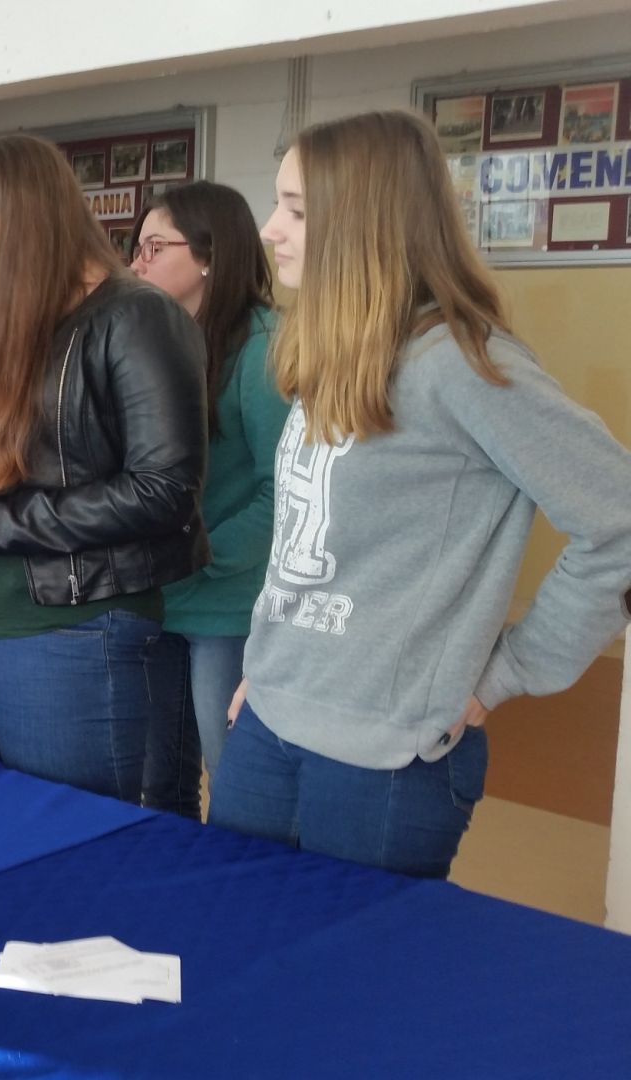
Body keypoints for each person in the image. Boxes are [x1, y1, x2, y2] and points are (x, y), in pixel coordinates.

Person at [211, 110, 631, 878]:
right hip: (270, 722)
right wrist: (272, 671)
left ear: (362, 222)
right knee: (233, 938)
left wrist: (509, 670)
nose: (271, 230)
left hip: (385, 762)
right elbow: (314, 541)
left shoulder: (460, 364)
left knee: (355, 959)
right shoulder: (335, 351)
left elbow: (619, 520)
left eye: (296, 210)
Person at [0, 134, 206, 803]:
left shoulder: (137, 316)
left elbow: (164, 491)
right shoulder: (2, 322)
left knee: (70, 843)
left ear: (27, 218)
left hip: (71, 631)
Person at [129, 181, 288, 819]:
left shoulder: (264, 346)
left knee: (237, 784)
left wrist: (202, 554)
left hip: (226, 600)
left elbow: (286, 490)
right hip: (160, 595)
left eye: (154, 247)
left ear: (208, 257)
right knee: (160, 783)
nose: (136, 263)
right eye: (136, 247)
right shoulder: (156, 337)